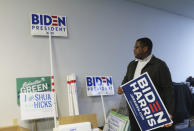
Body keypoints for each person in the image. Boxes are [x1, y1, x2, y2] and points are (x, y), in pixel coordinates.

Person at [118, 37, 174, 131]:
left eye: (136, 47)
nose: (133, 49)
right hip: (134, 109)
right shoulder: (132, 65)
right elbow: (126, 80)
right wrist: (121, 88)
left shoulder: (159, 65)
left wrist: (169, 112)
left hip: (151, 111)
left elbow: (168, 90)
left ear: (145, 49)